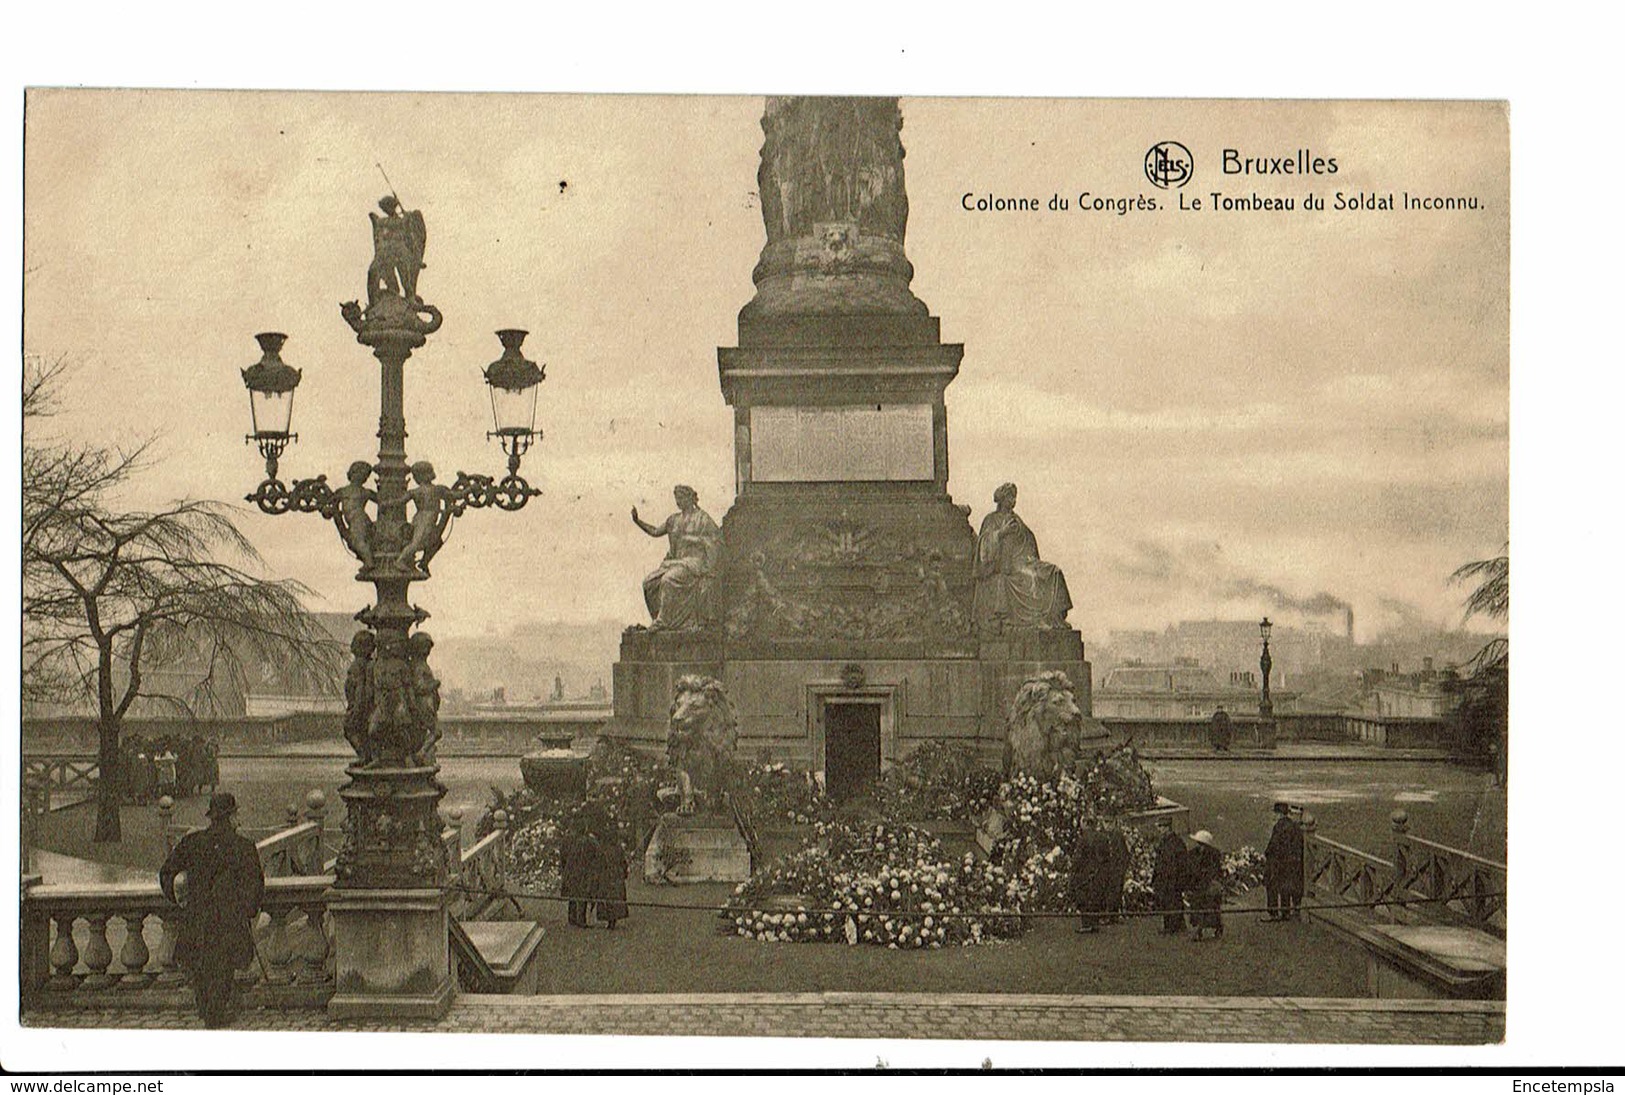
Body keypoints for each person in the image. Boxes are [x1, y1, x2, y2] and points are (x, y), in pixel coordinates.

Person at [157, 792, 265, 1028]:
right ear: (230, 818)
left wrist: (178, 899)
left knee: (201, 968)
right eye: (236, 814)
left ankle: (208, 1010)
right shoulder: (244, 847)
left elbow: (166, 873)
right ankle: (215, 1014)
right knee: (222, 969)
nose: (239, 819)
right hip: (228, 922)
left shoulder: (193, 843)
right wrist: (246, 910)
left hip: (197, 920)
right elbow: (256, 887)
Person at [972, 483, 1073, 634]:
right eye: (1010, 497)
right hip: (1008, 567)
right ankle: (1038, 619)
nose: (1013, 501)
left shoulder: (1016, 519)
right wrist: (1001, 533)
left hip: (1024, 562)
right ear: (1002, 499)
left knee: (1053, 572)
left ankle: (1055, 618)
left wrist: (1031, 560)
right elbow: (984, 549)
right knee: (1032, 577)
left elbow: (1029, 540)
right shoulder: (991, 519)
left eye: (1014, 497)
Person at [632, 485, 720, 630]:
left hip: (694, 563)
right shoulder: (673, 520)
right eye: (676, 499)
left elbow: (715, 541)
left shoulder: (702, 518)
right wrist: (637, 521)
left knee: (668, 580)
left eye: (681, 498)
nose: (678, 502)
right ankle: (660, 619)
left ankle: (663, 621)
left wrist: (696, 540)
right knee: (649, 583)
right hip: (676, 562)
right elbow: (655, 531)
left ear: (689, 498)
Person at [1068, 820, 1116, 933]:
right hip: (1099, 872)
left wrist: (1073, 869)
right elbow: (1107, 856)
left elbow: (1078, 857)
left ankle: (1086, 925)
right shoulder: (1103, 837)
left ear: (1085, 824)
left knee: (1083, 898)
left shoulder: (1084, 838)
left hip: (1085, 873)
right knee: (1095, 897)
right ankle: (1094, 923)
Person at [1262, 802, 1306, 922]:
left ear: (1279, 814)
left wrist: (1266, 854)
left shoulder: (1278, 827)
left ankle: (1273, 913)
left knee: (1271, 884)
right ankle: (1286, 912)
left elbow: (1273, 846)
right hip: (1291, 863)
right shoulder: (1295, 826)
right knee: (1286, 886)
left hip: (1278, 862)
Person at [1184, 830, 1225, 941]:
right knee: (1197, 906)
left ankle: (1214, 927)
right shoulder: (1193, 853)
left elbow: (1215, 871)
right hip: (1197, 884)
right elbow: (1191, 868)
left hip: (1208, 884)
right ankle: (1199, 929)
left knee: (1210, 906)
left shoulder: (1213, 855)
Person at [1150, 818, 1188, 935]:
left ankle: (1174, 926)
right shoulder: (1166, 841)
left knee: (1173, 901)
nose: (1160, 830)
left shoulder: (1175, 842)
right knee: (1167, 902)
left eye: (1161, 827)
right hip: (1165, 877)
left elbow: (1180, 862)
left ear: (1167, 828)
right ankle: (1171, 925)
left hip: (1172, 878)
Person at [559, 810, 596, 929]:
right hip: (582, 869)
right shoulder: (587, 840)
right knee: (583, 894)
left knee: (573, 893)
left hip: (570, 868)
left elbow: (562, 855)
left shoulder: (567, 839)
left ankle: (572, 917)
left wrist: (564, 867)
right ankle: (581, 919)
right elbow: (593, 855)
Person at [1103, 825, 1131, 924]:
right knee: (1111, 892)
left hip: (1116, 870)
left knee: (1115, 893)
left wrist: (1121, 869)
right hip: (1109, 870)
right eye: (1105, 822)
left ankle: (1112, 916)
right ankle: (1110, 916)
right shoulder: (1105, 835)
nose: (1107, 826)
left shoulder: (1117, 836)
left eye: (1109, 822)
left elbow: (1124, 854)